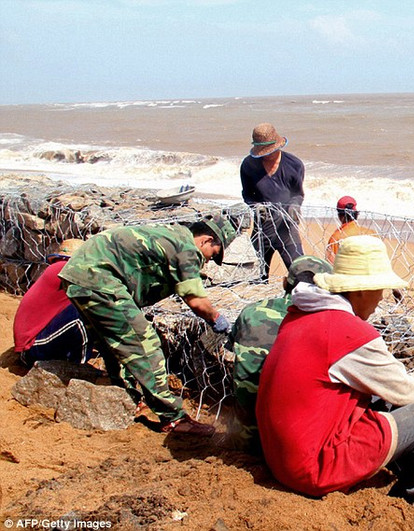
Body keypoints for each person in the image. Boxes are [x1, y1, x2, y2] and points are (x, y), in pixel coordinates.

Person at [256, 235, 414, 510]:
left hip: (278, 458)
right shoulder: (350, 333)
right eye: (380, 289)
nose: (381, 298)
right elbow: (403, 391)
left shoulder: (300, 314)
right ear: (361, 290)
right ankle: (413, 507)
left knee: (380, 403)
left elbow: (382, 380)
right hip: (311, 468)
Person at [58, 216, 238, 436]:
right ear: (206, 241)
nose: (209, 262)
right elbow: (196, 300)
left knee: (111, 343)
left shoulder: (171, 234)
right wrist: (217, 319)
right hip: (100, 279)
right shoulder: (187, 249)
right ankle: (172, 418)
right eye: (214, 255)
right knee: (145, 344)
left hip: (80, 276)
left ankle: (125, 398)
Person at [227, 255, 333, 453]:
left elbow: (233, 351)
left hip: (243, 438)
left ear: (285, 282)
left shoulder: (250, 312)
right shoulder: (322, 324)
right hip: (286, 446)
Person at [14, 238, 96, 366]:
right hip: (33, 349)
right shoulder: (64, 269)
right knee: (84, 312)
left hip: (33, 346)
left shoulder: (55, 269)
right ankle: (80, 368)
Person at [240, 123, 306, 278]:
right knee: (256, 276)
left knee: (300, 273)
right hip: (262, 227)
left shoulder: (294, 165)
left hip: (286, 227)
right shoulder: (248, 166)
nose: (267, 155)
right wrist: (256, 207)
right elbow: (247, 194)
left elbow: (298, 194)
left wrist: (295, 205)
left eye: (269, 150)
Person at [325, 195, 376, 263]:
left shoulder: (336, 238)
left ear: (339, 215)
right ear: (357, 214)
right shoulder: (371, 233)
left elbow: (330, 264)